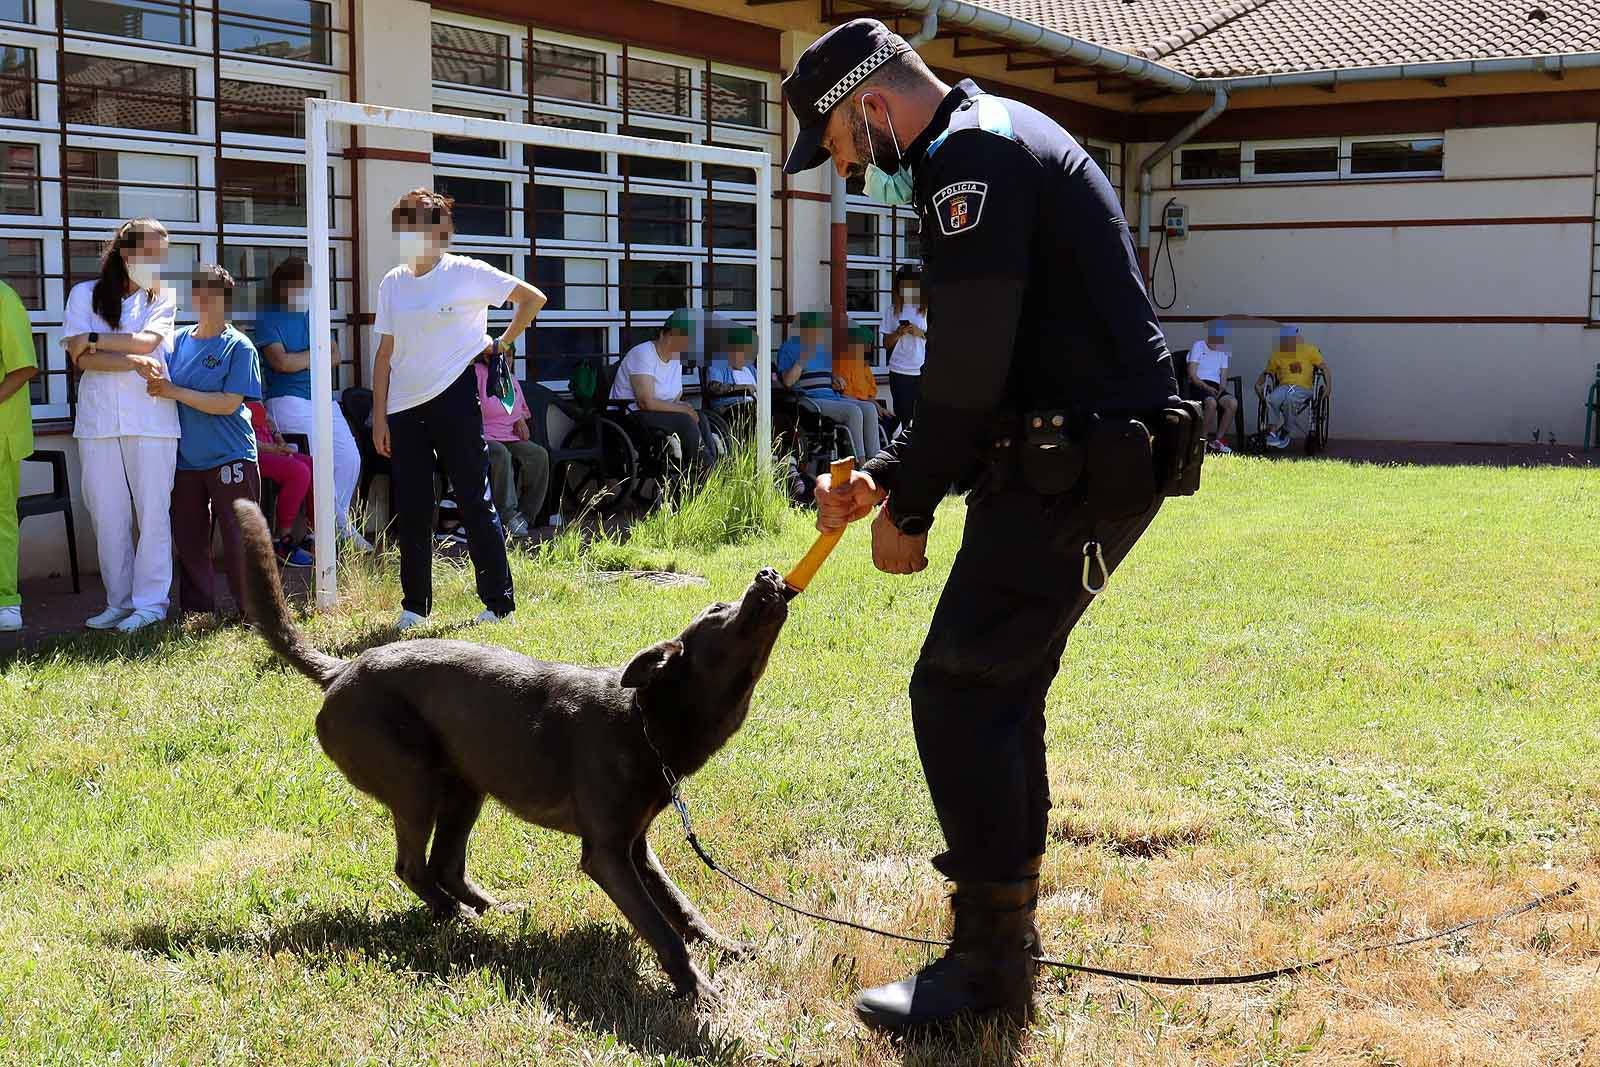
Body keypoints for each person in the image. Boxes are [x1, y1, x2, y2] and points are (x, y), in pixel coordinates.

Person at [785, 19, 1183, 1029]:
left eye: (832, 141)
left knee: (961, 689)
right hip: (1068, 458)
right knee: (996, 687)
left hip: (1078, 467)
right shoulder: (984, 138)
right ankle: (1001, 941)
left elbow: (964, 369)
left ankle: (986, 972)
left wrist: (907, 508)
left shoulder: (971, 159)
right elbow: (986, 373)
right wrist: (885, 472)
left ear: (871, 107)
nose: (839, 166)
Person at [371, 188, 546, 631]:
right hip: (404, 407)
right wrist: (379, 414)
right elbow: (384, 354)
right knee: (412, 506)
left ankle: (498, 603)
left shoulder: (466, 272)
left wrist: (503, 343)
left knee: (473, 498)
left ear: (438, 231)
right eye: (405, 227)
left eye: (421, 227)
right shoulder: (392, 282)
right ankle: (414, 607)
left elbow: (532, 299)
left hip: (455, 399)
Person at [63, 217, 179, 633]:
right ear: (126, 254)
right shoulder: (84, 295)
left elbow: (149, 343)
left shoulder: (162, 296)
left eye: (161, 255)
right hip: (97, 422)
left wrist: (94, 338)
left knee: (152, 513)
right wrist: (128, 358)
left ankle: (151, 603)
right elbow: (81, 359)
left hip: (151, 419)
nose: (157, 263)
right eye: (151, 254)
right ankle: (120, 601)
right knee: (106, 513)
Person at [148, 265, 263, 619]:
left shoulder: (239, 346)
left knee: (239, 540)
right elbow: (155, 376)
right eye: (198, 292)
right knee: (189, 538)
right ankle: (198, 612)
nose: (204, 299)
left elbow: (229, 402)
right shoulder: (177, 341)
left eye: (212, 293)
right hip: (186, 461)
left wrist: (174, 391)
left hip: (231, 457)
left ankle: (254, 614)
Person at [255, 256, 369, 551]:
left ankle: (334, 526)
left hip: (323, 400)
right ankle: (332, 531)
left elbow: (334, 355)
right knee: (319, 462)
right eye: (302, 284)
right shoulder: (269, 317)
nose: (308, 290)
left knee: (349, 459)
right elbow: (280, 362)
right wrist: (314, 356)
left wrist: (304, 358)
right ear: (286, 286)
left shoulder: (314, 313)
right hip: (288, 401)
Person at [610, 310, 712, 471]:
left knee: (702, 418)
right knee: (685, 421)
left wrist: (685, 408)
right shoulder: (643, 353)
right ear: (669, 335)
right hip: (631, 415)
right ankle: (707, 471)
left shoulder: (676, 359)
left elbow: (675, 397)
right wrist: (683, 410)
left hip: (659, 415)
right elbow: (645, 402)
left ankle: (716, 468)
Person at [776, 310, 881, 460]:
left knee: (869, 408)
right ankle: (860, 462)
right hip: (810, 400)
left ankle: (875, 460)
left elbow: (827, 375)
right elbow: (787, 382)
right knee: (853, 411)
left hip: (831, 396)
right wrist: (803, 358)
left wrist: (836, 380)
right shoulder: (789, 348)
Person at [473, 347, 549, 536]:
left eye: (510, 355)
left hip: (510, 435)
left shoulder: (511, 379)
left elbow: (521, 407)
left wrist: (520, 419)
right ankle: (507, 516)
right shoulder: (478, 373)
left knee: (538, 455)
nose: (507, 360)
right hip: (485, 436)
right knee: (500, 454)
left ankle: (525, 517)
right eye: (502, 356)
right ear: (487, 357)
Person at [0, 278, 38, 633]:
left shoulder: (4, 298)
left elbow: (24, 367)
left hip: (1, 433)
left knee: (0, 519)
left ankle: (5, 602)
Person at [247, 400, 315, 567]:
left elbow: (267, 418)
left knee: (315, 467)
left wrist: (278, 438)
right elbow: (236, 434)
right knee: (298, 472)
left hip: (270, 447)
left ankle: (312, 535)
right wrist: (271, 448)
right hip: (250, 452)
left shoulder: (252, 383)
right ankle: (282, 539)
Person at [1256, 324, 1331, 450]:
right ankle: (1273, 430)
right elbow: (1267, 372)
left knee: (1290, 398)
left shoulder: (1310, 350)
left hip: (1303, 388)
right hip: (1284, 386)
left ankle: (1285, 431)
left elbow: (1324, 368)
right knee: (1271, 398)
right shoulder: (1278, 354)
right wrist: (1258, 384)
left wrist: (1329, 387)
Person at [880, 266, 927, 426]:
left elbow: (942, 340)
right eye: (903, 286)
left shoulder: (927, 310)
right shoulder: (892, 311)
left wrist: (920, 332)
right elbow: (885, 344)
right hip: (899, 371)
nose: (907, 290)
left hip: (923, 370)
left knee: (924, 417)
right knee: (904, 417)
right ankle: (906, 450)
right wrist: (898, 333)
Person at [836, 322, 898, 442]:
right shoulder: (843, 363)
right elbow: (846, 393)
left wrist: (877, 405)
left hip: (869, 404)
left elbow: (870, 390)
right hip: (854, 406)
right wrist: (874, 405)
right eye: (867, 343)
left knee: (894, 420)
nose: (870, 347)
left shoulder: (862, 364)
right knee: (887, 423)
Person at [1186, 322, 1236, 453]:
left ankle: (1218, 440)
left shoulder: (1225, 349)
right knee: (1211, 403)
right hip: (1199, 384)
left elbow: (1224, 375)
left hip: (1215, 386)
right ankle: (1202, 440)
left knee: (1232, 403)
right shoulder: (1198, 345)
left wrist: (1221, 388)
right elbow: (1192, 374)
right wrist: (1207, 388)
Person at [704, 324, 759, 423]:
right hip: (728, 407)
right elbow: (713, 387)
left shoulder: (749, 368)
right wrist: (743, 387)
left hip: (752, 404)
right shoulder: (717, 364)